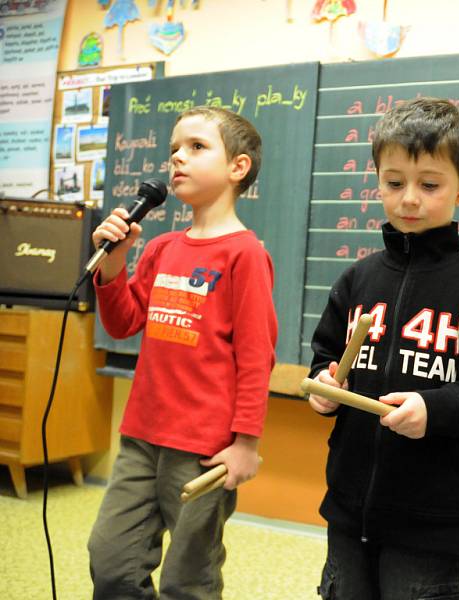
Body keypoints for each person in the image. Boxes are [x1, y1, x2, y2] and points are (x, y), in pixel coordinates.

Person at [308, 97, 459, 600]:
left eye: (429, 185)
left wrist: (434, 407)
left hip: (431, 517)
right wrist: (324, 387)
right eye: (393, 182)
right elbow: (326, 358)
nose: (409, 199)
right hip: (348, 506)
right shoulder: (356, 280)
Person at [87, 106, 278, 599]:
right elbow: (126, 321)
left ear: (238, 168)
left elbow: (257, 356)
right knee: (111, 564)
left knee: (186, 580)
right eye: (174, 149)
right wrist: (114, 266)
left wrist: (246, 443)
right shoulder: (162, 247)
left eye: (196, 147)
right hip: (141, 435)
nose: (178, 158)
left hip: (203, 449)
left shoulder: (245, 253)